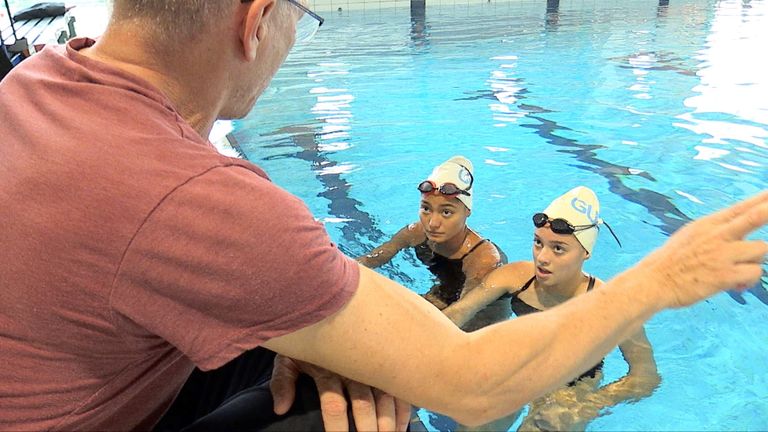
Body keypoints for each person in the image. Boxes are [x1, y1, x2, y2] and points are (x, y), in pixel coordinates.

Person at [1, 0, 766, 430]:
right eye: (302, 16)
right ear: (256, 19)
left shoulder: (34, 81)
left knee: (349, 369)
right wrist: (667, 275)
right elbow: (471, 387)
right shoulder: (194, 196)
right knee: (368, 419)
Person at [443, 186, 661, 431]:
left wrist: (591, 404)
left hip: (572, 387)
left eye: (558, 248)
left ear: (585, 252)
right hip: (522, 369)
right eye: (538, 243)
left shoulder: (611, 305)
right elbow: (455, 315)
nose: (542, 257)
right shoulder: (515, 277)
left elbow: (646, 376)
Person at [357, 156, 511, 332]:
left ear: (467, 211)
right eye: (426, 209)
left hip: (483, 314)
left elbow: (459, 316)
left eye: (446, 212)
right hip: (447, 293)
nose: (432, 223)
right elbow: (370, 260)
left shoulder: (483, 260)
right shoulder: (416, 232)